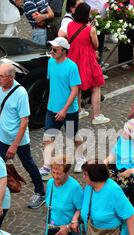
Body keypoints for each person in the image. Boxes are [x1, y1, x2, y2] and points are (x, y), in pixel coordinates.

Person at [0, 63, 45, 209]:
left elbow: (24, 122)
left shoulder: (21, 93)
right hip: (2, 137)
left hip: (18, 140)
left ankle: (40, 192)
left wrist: (14, 145)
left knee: (28, 164)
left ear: (11, 77)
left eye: (1, 76)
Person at [38, 37, 85, 181]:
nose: (52, 52)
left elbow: (74, 90)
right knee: (48, 138)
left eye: (55, 49)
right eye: (51, 49)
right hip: (52, 109)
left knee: (72, 137)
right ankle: (46, 165)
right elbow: (53, 83)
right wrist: (50, 104)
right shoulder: (51, 62)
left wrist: (64, 110)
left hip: (69, 111)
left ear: (64, 51)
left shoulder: (72, 67)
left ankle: (80, 157)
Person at [67, 2, 110, 125]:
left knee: (77, 86)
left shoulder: (70, 25)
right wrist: (93, 29)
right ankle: (96, 115)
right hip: (87, 60)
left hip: (74, 59)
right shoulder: (90, 29)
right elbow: (96, 45)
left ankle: (79, 110)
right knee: (96, 86)